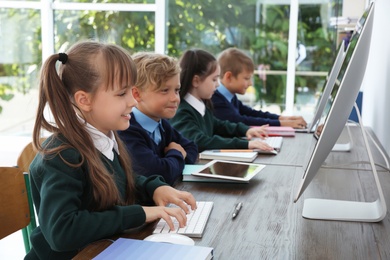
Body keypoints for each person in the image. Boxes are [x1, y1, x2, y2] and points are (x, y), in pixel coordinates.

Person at [26, 41, 196, 260]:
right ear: (84, 100)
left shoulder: (104, 138)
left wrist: (154, 188)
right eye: (122, 93)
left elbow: (122, 181)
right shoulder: (62, 155)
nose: (134, 101)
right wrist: (140, 213)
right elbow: (62, 232)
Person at [170, 49, 274, 153]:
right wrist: (245, 144)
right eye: (214, 79)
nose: (218, 84)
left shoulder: (202, 106)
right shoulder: (181, 112)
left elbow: (219, 125)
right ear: (196, 81)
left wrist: (246, 130)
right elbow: (199, 141)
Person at [118, 52, 198, 185]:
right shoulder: (127, 130)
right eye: (165, 90)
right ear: (137, 94)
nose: (175, 98)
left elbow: (192, 148)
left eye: (177, 90)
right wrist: (176, 153)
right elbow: (159, 173)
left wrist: (171, 162)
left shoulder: (162, 124)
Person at [211, 47, 307, 129]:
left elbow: (250, 113)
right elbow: (241, 121)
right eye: (246, 78)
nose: (251, 83)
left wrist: (282, 118)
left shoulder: (230, 97)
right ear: (229, 77)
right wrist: (283, 123)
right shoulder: (216, 100)